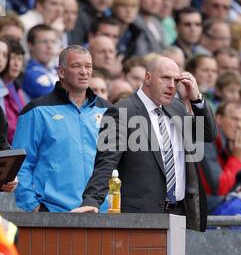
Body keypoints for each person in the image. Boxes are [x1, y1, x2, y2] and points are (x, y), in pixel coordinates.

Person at [72, 56, 217, 232]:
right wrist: (92, 200)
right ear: (148, 77)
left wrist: (196, 100)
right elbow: (106, 162)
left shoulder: (177, 108)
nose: (172, 85)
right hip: (141, 218)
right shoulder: (122, 111)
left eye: (176, 80)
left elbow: (207, 134)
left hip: (181, 214)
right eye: (165, 78)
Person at [13, 46, 110, 212]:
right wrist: (34, 206)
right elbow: (21, 163)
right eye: (76, 66)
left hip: (100, 212)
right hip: (53, 212)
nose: (84, 72)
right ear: (61, 72)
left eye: (88, 66)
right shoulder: (36, 110)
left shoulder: (107, 110)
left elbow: (114, 162)